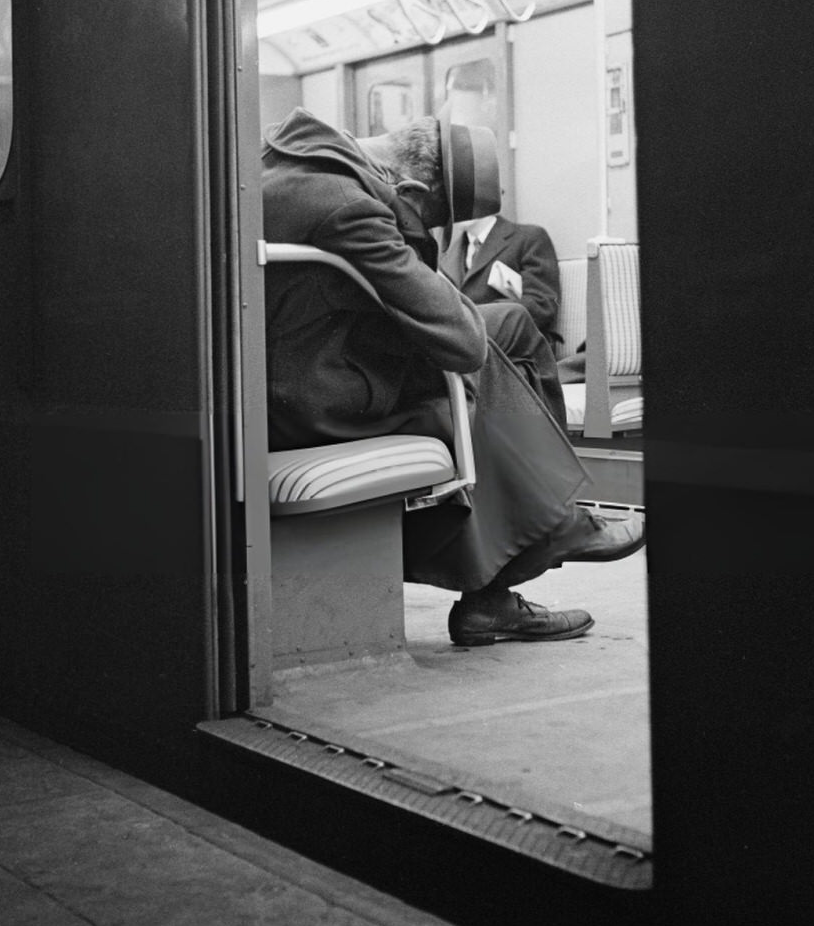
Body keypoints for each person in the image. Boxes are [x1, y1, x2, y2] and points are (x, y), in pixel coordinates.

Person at [260, 106, 645, 646]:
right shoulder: (350, 207)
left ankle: (539, 539)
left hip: (300, 370)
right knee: (474, 371)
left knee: (510, 324)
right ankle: (543, 540)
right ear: (412, 190)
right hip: (314, 401)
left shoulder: (293, 159)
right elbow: (462, 342)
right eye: (428, 221)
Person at [440, 213, 561, 343]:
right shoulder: (447, 256)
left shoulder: (529, 237)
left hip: (516, 345)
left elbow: (541, 305)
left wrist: (473, 318)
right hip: (467, 345)